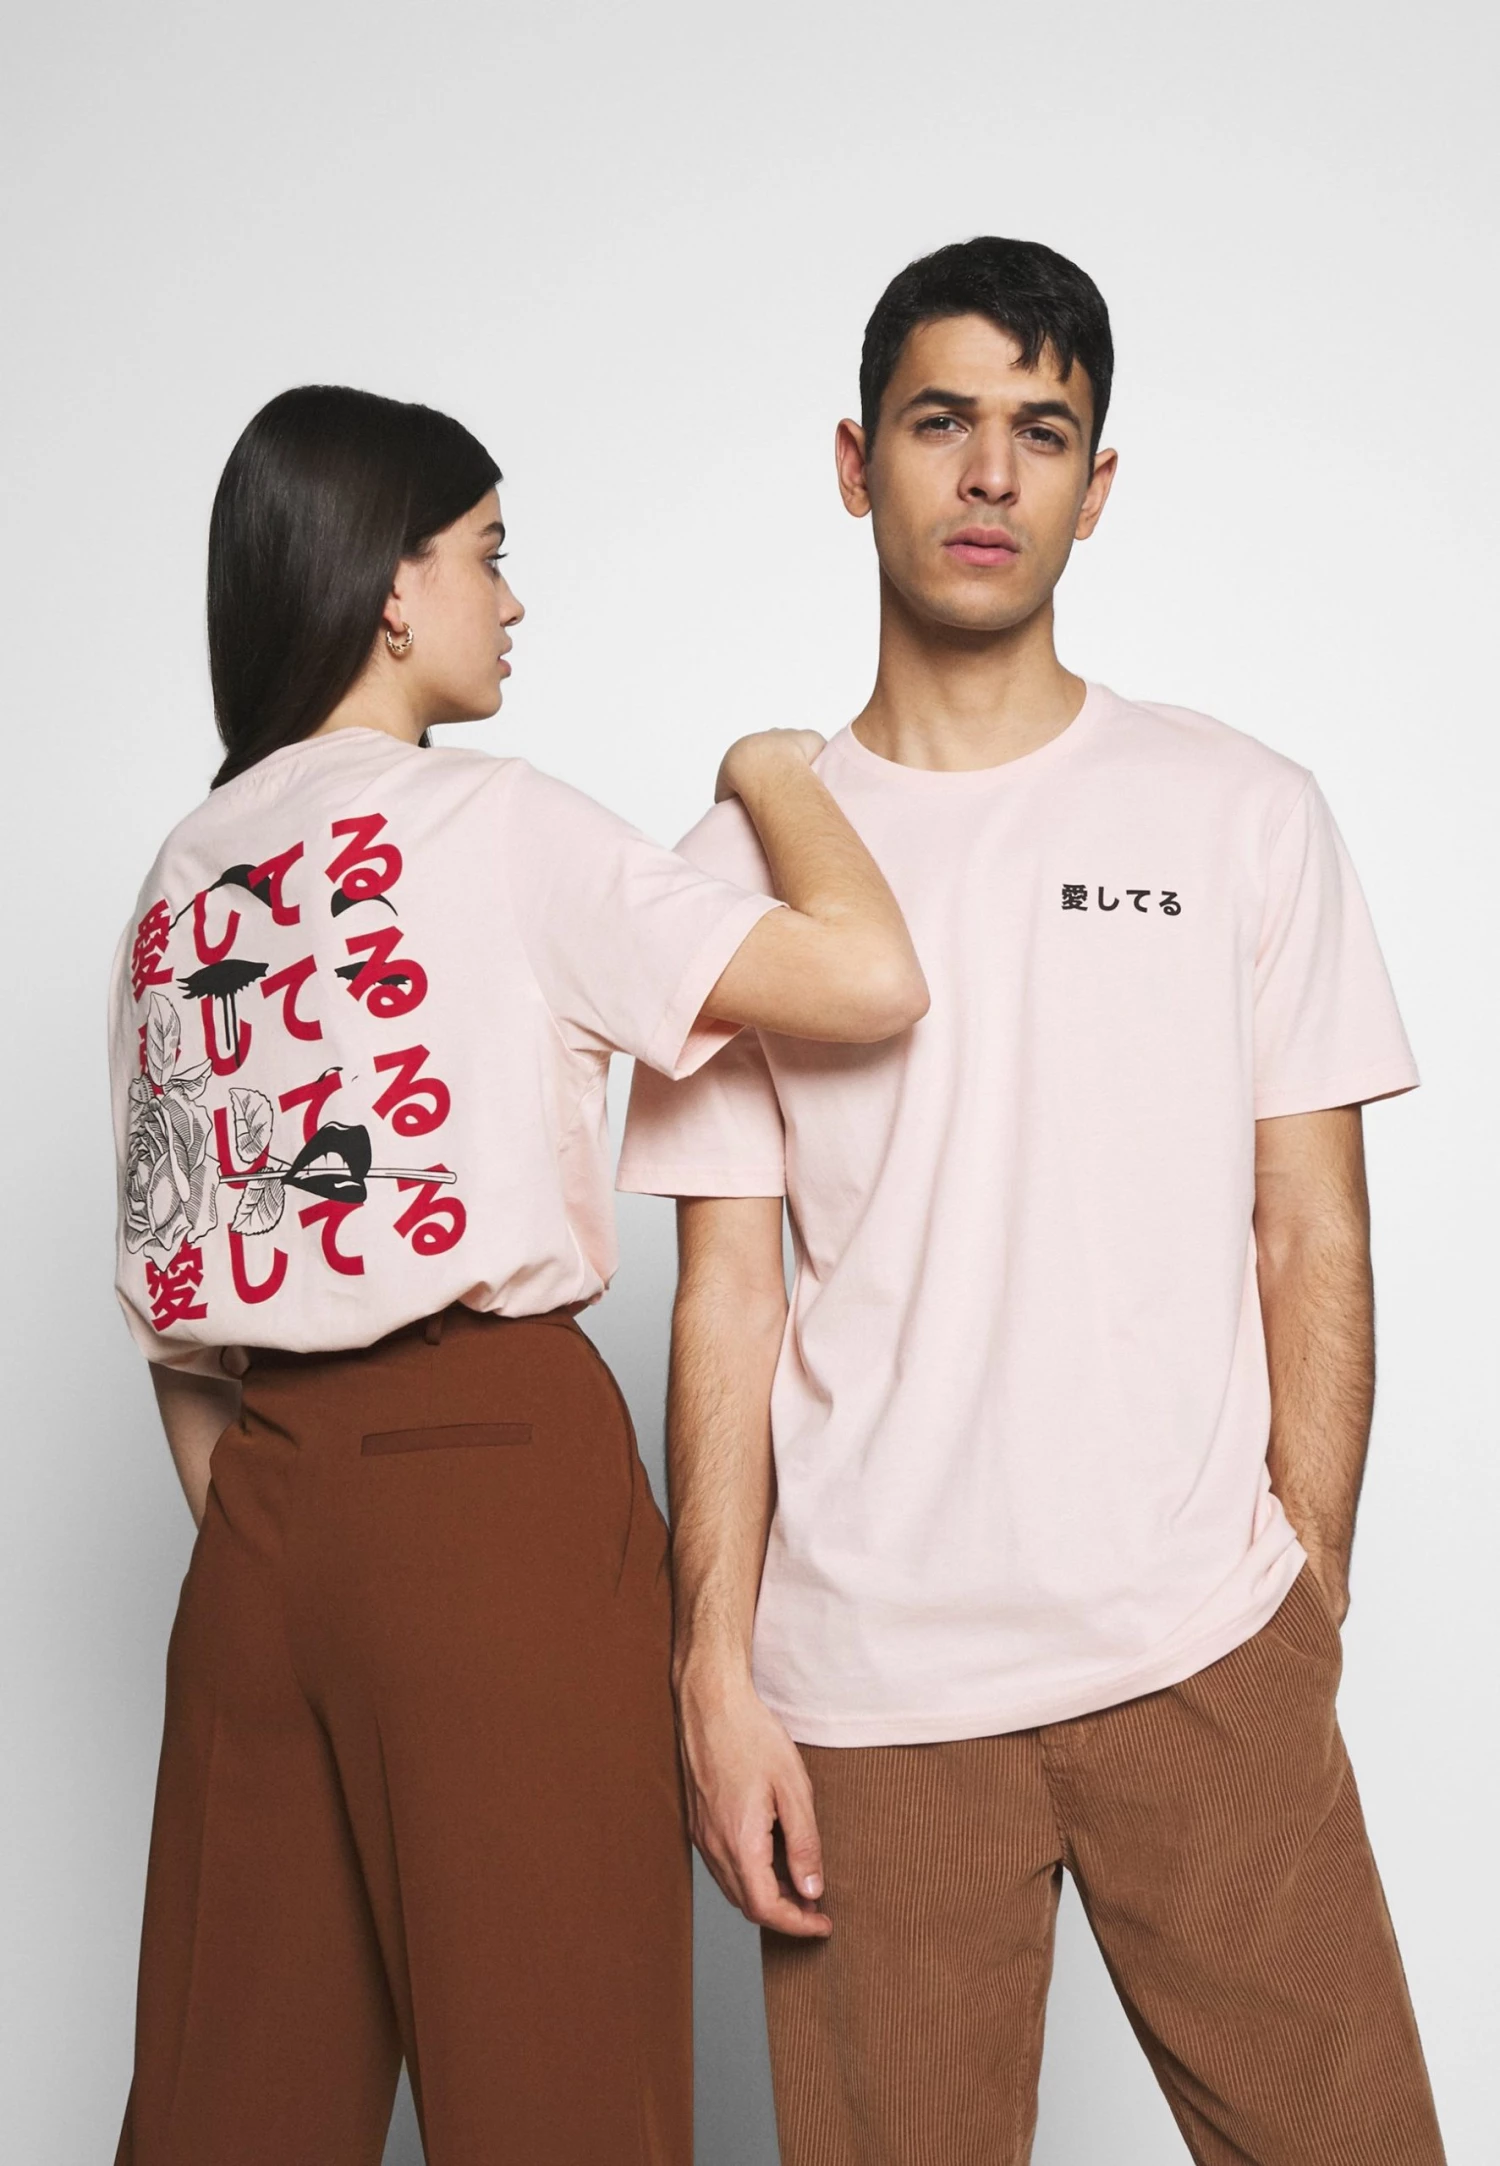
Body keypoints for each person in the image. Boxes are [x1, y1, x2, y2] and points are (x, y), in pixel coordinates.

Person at [619, 238, 1447, 2165]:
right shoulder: (729, 871)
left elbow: (1312, 1224)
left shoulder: (1241, 810)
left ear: (1098, 483)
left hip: (1202, 1649)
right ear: (855, 463)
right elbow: (725, 1296)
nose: (991, 473)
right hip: (869, 1697)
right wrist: (713, 1674)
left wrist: (1303, 1591)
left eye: (1042, 431)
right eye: (943, 422)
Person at [107, 383, 928, 2166]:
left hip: (262, 1529)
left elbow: (177, 1324)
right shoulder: (494, 823)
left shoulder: (184, 877)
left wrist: (289, 1523)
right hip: (488, 1483)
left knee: (227, 2113)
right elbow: (871, 979)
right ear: (391, 588)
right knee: (560, 2092)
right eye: (487, 555)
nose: (514, 597)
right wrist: (772, 771)